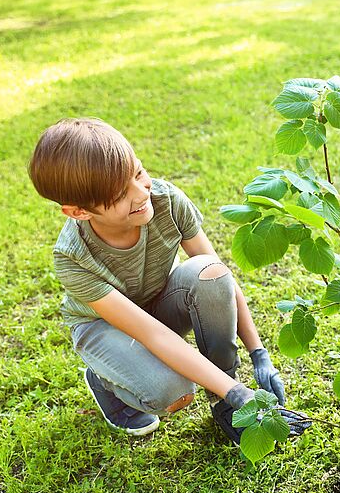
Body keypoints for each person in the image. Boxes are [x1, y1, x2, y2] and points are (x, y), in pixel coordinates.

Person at [28, 117, 310, 441]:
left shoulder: (167, 201)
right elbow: (153, 335)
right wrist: (239, 391)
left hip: (157, 302)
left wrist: (259, 354)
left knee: (209, 273)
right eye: (120, 193)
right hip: (105, 328)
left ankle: (223, 405)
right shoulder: (73, 258)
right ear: (79, 211)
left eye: (138, 172)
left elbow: (221, 277)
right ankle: (105, 380)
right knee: (173, 391)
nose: (141, 192)